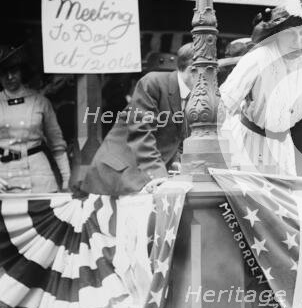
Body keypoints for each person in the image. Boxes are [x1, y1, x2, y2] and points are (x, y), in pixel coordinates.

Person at [219, 0, 302, 178]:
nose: (298, 42)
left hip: (282, 148)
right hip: (244, 142)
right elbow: (222, 106)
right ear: (276, 34)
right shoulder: (259, 57)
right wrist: (230, 154)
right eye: (290, 34)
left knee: (283, 204)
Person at [81, 43, 196, 196]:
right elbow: (142, 132)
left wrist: (178, 165)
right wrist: (159, 176)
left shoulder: (194, 96)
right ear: (192, 71)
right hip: (119, 173)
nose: (212, 81)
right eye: (209, 74)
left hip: (143, 175)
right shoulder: (153, 82)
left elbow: (178, 139)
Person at [0, 44, 70, 193]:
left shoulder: (40, 101)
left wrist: (66, 179)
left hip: (38, 175)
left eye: (13, 71)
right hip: (4, 176)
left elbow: (57, 144)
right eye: (3, 73)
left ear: (21, 71)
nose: (10, 77)